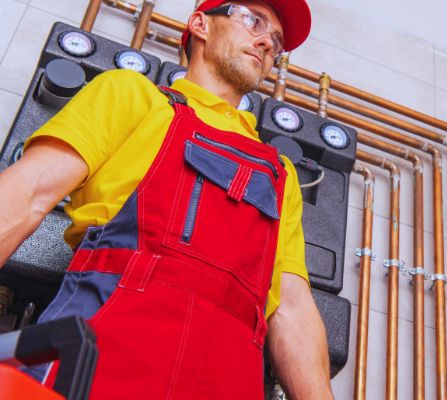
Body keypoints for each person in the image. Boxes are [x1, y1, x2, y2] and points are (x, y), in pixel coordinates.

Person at [0, 0, 334, 398]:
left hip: (228, 380)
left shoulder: (281, 175)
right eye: (253, 20)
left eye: (276, 42)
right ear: (200, 25)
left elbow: (292, 308)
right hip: (99, 360)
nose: (266, 42)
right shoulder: (132, 96)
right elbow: (28, 194)